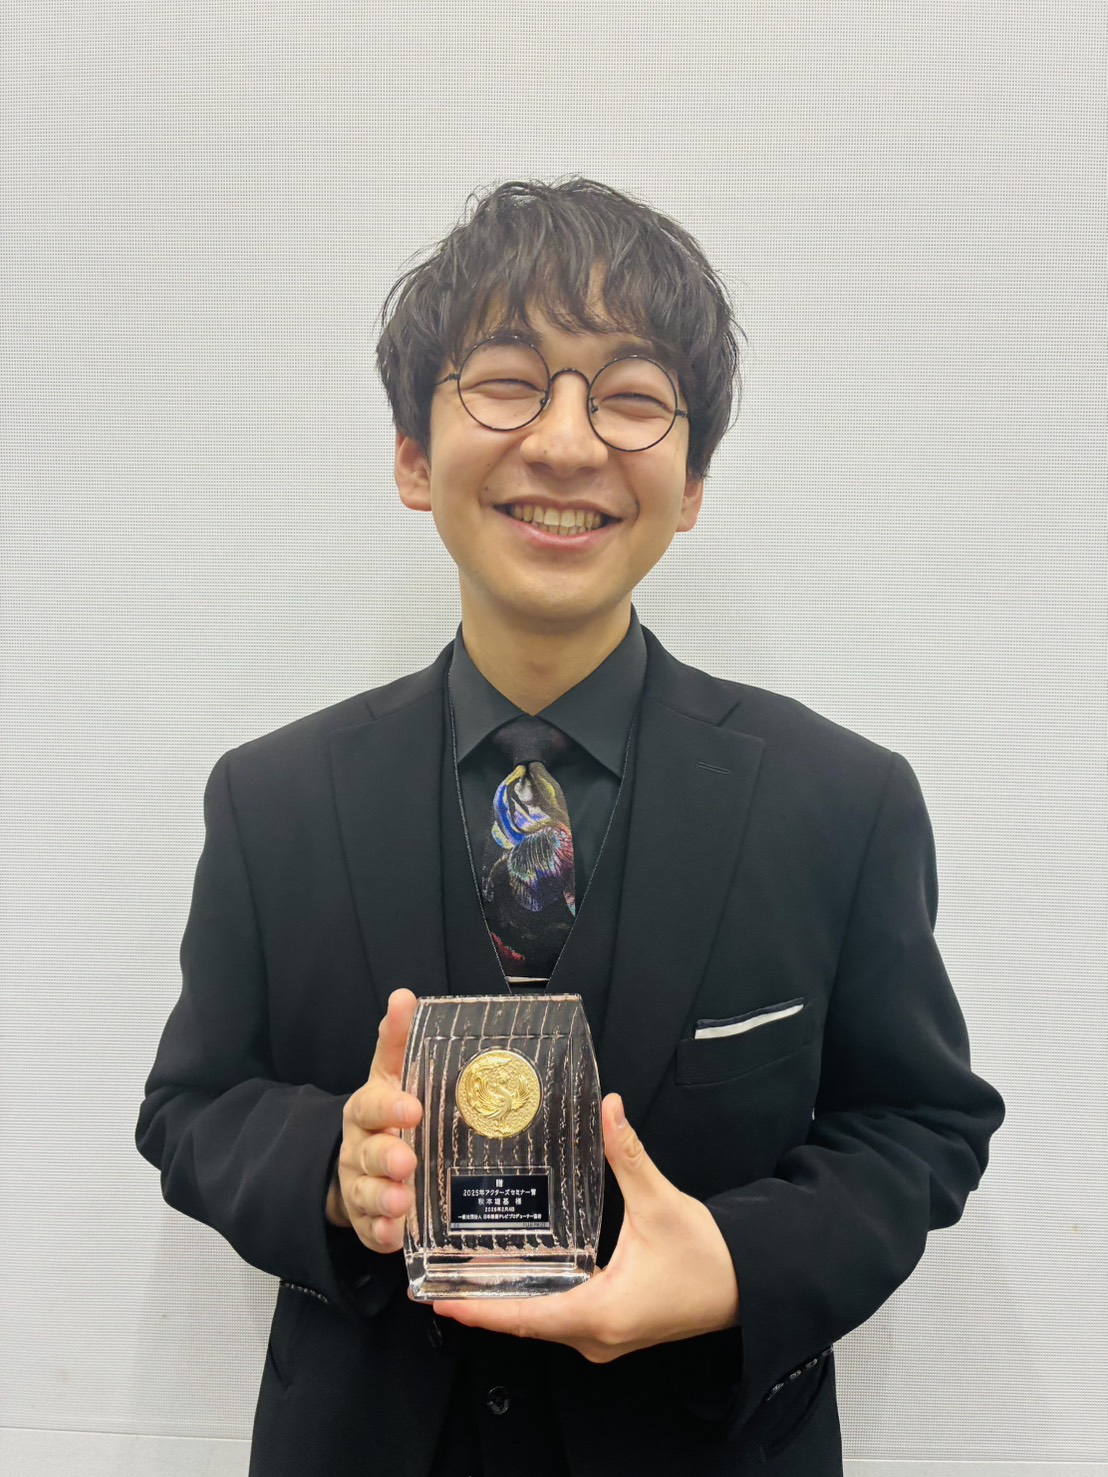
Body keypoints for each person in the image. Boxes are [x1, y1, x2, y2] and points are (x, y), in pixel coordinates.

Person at [136, 178, 1004, 1476]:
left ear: (691, 483)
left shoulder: (842, 801)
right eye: (506, 382)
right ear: (414, 455)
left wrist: (735, 1262)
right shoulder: (270, 799)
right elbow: (192, 1105)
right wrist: (329, 1168)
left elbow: (921, 1124)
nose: (564, 440)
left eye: (631, 397)